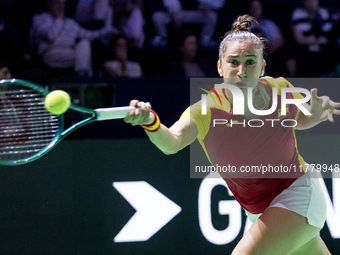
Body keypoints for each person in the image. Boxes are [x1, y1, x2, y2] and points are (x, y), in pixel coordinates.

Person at [124, 15, 339, 254]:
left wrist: (315, 115)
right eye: (233, 62)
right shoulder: (205, 111)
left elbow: (299, 120)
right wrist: (151, 122)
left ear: (262, 67)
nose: (241, 71)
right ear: (219, 67)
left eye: (250, 62)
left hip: (298, 191)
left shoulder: (280, 89)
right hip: (258, 210)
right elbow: (172, 143)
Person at [32, 0, 115, 77]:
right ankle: (83, 77)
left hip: (70, 53)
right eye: (57, 3)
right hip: (50, 53)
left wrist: (108, 30)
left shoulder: (70, 22)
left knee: (84, 43)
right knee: (83, 57)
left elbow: (89, 35)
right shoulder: (40, 19)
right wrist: (59, 19)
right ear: (49, 4)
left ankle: (83, 77)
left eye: (63, 3)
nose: (60, 6)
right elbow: (50, 36)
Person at [291, 0, 334, 77]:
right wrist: (316, 41)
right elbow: (300, 40)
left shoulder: (323, 12)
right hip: (306, 50)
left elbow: (329, 34)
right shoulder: (298, 13)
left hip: (326, 48)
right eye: (309, 1)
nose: (312, 3)